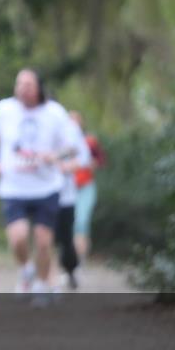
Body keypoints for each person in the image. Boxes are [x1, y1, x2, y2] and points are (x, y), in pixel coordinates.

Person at [0, 69, 75, 299]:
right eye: (19, 83)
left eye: (28, 84)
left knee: (44, 242)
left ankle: (42, 284)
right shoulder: (4, 109)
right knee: (18, 237)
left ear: (39, 88)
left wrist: (54, 156)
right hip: (13, 186)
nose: (22, 88)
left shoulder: (54, 112)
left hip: (46, 187)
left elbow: (70, 147)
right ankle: (26, 268)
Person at [54, 109, 91, 290]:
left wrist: (67, 166)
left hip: (65, 193)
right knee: (45, 233)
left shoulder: (70, 129)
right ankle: (41, 279)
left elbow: (84, 158)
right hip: (39, 194)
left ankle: (70, 268)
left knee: (65, 236)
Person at [69, 111, 105, 264]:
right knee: (70, 224)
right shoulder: (61, 142)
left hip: (85, 187)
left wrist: (89, 164)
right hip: (68, 189)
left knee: (81, 222)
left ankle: (80, 259)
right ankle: (72, 257)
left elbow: (100, 160)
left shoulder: (89, 141)